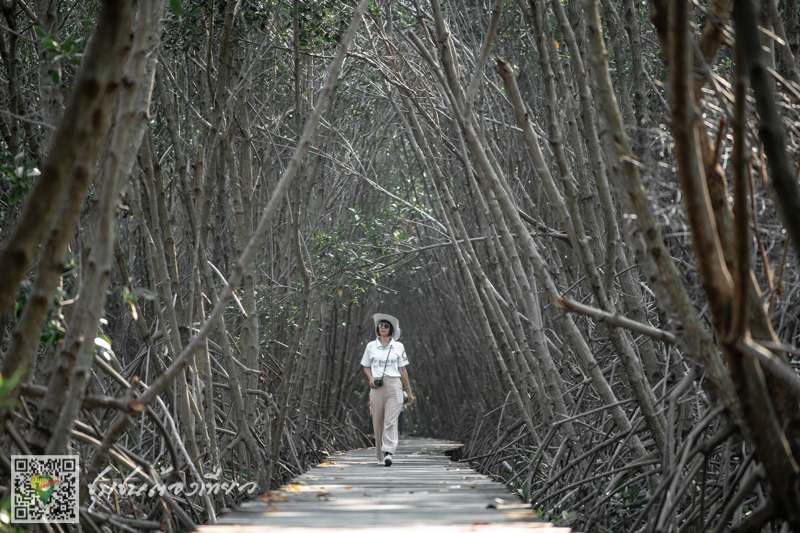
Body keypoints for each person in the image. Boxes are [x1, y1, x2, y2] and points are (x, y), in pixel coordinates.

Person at [361, 313, 415, 466]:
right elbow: (366, 366)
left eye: (386, 326)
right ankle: (381, 455)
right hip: (377, 387)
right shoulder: (371, 346)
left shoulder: (398, 346)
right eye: (380, 325)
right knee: (378, 421)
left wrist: (409, 393)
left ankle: (388, 452)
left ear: (391, 329)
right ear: (377, 328)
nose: (383, 328)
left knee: (390, 421)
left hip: (394, 384)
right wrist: (371, 379)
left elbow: (403, 370)